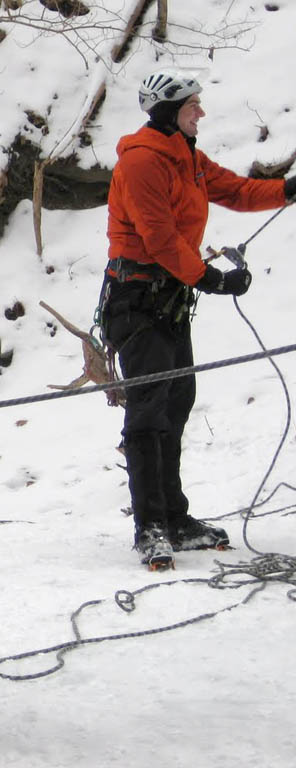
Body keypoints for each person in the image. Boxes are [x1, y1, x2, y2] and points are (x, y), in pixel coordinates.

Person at [100, 69, 296, 570]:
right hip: (136, 298)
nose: (201, 113)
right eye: (193, 106)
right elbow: (159, 237)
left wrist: (288, 190)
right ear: (170, 111)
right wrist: (211, 278)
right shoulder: (144, 162)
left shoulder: (186, 155)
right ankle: (151, 527)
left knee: (176, 400)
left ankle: (175, 518)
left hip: (167, 299)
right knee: (148, 409)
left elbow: (235, 191)